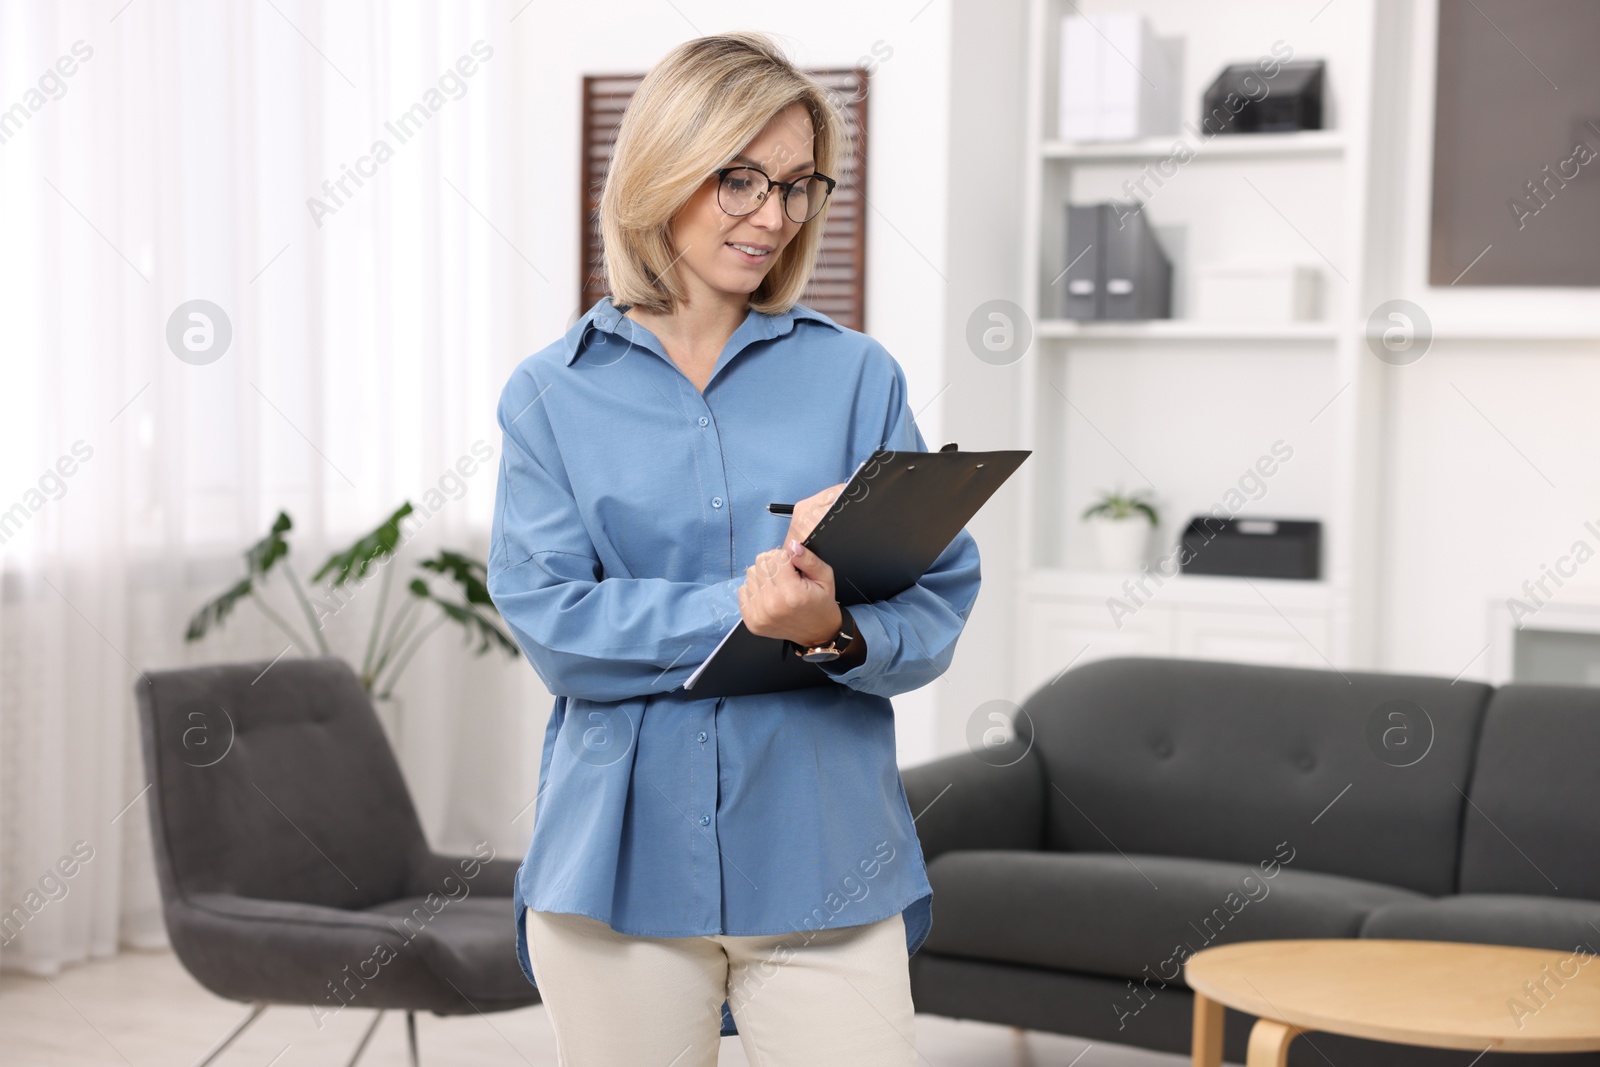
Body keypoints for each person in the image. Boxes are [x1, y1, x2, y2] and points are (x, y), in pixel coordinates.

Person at [487, 31, 982, 1067]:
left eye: (799, 186)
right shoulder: (550, 392)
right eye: (740, 177)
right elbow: (558, 627)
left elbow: (934, 601)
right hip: (615, 870)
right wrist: (756, 608)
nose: (773, 214)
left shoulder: (856, 378)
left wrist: (835, 632)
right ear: (663, 168)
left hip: (827, 857)